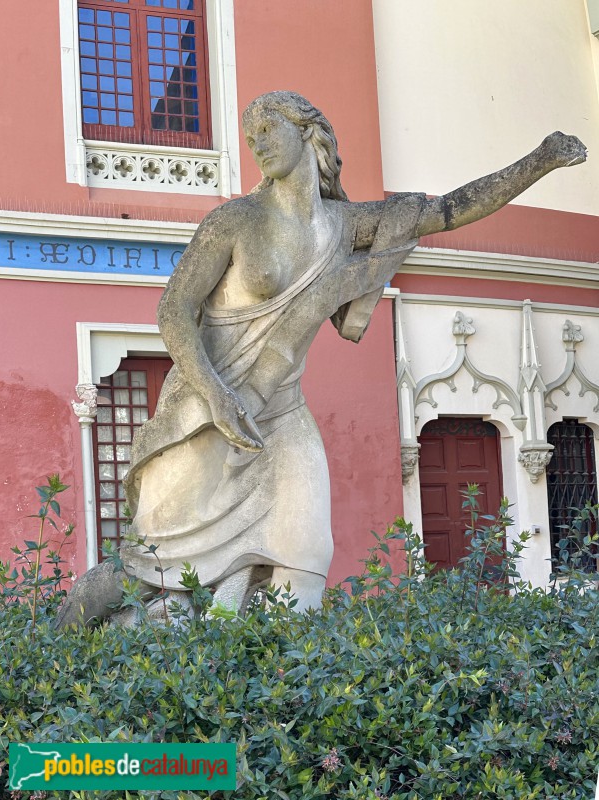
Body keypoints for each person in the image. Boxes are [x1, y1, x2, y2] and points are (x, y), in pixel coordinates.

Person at [56, 91, 586, 627]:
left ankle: (275, 679)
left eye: (268, 128)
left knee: (305, 555)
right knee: (151, 567)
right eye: (250, 134)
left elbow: (445, 212)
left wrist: (538, 161)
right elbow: (174, 311)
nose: (257, 143)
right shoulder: (234, 222)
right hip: (208, 411)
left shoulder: (344, 226)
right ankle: (62, 637)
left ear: (309, 132)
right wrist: (215, 396)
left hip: (281, 413)